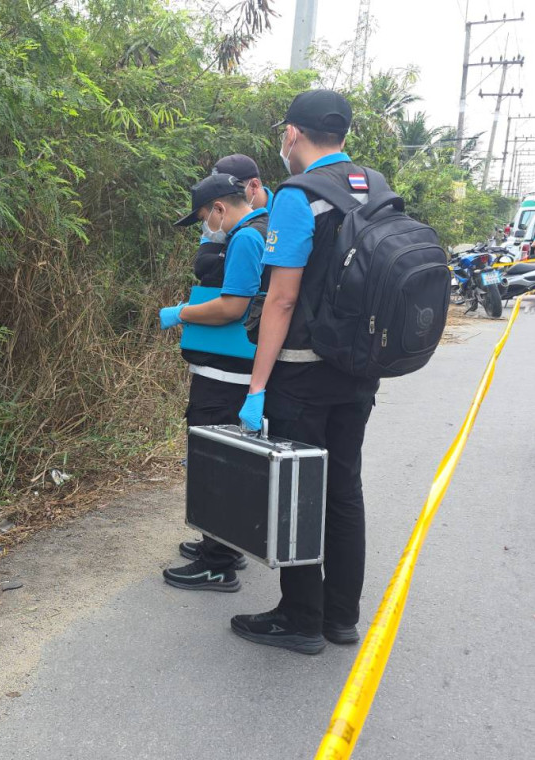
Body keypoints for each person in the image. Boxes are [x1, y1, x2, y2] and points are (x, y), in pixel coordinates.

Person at [232, 89, 379, 655]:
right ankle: (340, 618)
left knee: (299, 491)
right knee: (344, 489)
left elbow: (282, 300)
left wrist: (256, 387)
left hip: (302, 376)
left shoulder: (299, 195)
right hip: (358, 371)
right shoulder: (374, 186)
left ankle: (299, 617)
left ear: (292, 134)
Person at [159, 171, 268, 592]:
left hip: (225, 376)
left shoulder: (245, 238)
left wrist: (182, 313)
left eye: (205, 217)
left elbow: (233, 307)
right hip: (232, 372)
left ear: (219, 208)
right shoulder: (258, 230)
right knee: (225, 460)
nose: (207, 227)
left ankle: (217, 563)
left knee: (215, 464)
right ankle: (224, 544)